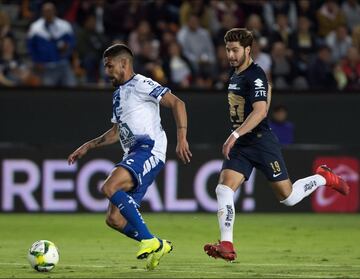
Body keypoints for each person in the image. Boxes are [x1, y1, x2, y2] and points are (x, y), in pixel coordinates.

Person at [203, 28, 350, 262]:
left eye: (234, 50)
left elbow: (260, 111)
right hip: (243, 145)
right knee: (223, 189)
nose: (230, 55)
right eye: (228, 50)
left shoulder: (255, 74)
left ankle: (323, 177)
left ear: (247, 50)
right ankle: (227, 245)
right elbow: (264, 96)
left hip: (260, 143)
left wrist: (234, 136)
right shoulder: (237, 75)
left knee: (288, 198)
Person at [68, 44, 192, 270]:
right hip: (133, 153)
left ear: (124, 63)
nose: (107, 71)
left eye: (110, 66)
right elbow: (116, 132)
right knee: (114, 219)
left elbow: (177, 103)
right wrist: (90, 144)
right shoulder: (118, 95)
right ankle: (159, 244)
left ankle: (149, 241)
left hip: (148, 149)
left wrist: (182, 138)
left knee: (109, 187)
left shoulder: (141, 84)